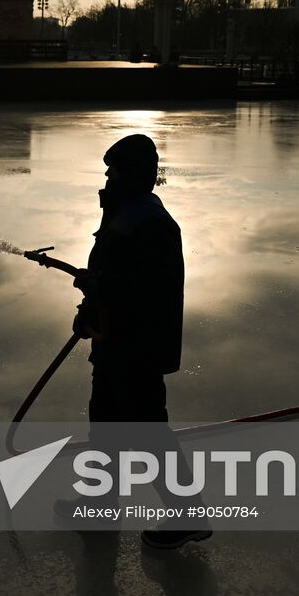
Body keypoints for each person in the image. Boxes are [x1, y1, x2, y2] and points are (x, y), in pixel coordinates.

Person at [74, 133, 210, 550]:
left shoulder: (150, 221)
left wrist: (100, 291)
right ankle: (100, 506)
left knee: (149, 431)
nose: (108, 178)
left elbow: (146, 290)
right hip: (117, 346)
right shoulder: (130, 212)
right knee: (105, 426)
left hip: (136, 350)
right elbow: (117, 272)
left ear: (135, 175)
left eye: (115, 171)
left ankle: (188, 513)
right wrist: (94, 296)